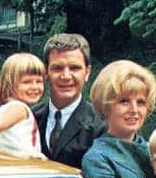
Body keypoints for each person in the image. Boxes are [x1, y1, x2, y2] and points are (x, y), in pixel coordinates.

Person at [80, 60, 156, 178]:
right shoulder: (97, 158)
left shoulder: (155, 149)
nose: (134, 110)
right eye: (124, 101)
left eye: (141, 102)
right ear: (106, 106)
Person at [32, 33, 106, 168]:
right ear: (46, 72)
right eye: (57, 68)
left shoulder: (101, 126)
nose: (66, 76)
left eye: (74, 68)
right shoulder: (30, 119)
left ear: (87, 72)